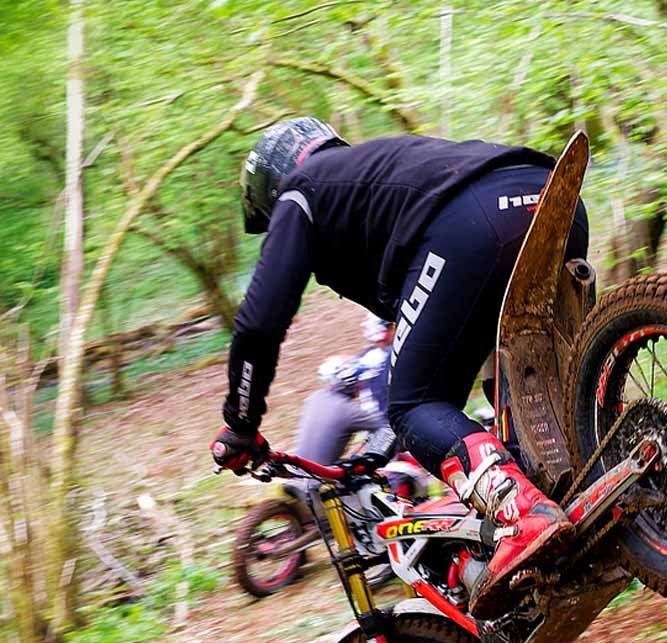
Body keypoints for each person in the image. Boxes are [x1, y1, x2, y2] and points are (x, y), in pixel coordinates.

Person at [211, 117, 589, 617]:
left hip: (470, 226)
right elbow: (434, 350)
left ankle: (524, 514)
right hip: (551, 193)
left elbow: (259, 325)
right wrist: (386, 442)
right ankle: (597, 470)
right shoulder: (376, 180)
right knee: (513, 377)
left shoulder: (300, 194)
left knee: (414, 406)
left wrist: (241, 424)